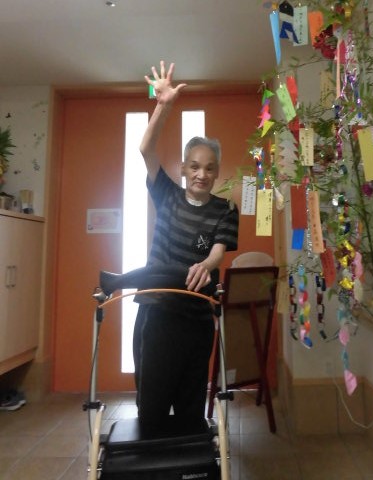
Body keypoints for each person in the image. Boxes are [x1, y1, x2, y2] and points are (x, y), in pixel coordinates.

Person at [132, 61, 239, 437]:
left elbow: (218, 251)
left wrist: (207, 265)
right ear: (183, 169)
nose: (201, 174)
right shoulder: (167, 195)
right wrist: (163, 106)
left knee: (191, 411)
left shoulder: (225, 209)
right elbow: (145, 149)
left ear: (217, 171)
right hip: (157, 312)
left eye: (209, 168)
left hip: (197, 318)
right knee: (152, 408)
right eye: (194, 166)